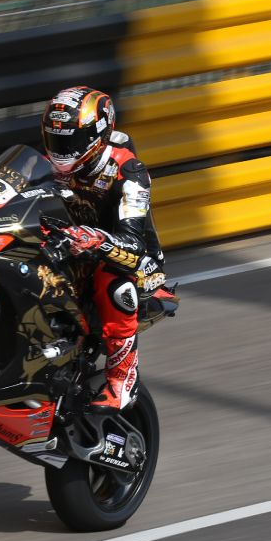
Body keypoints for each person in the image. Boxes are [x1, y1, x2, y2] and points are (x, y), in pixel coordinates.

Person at [40, 86, 164, 413]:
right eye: (56, 140)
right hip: (74, 247)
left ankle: (122, 378)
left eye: (71, 141)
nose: (62, 151)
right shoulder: (46, 165)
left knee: (113, 279)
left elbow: (134, 245)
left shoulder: (129, 171)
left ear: (96, 136)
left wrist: (95, 239)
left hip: (136, 260)